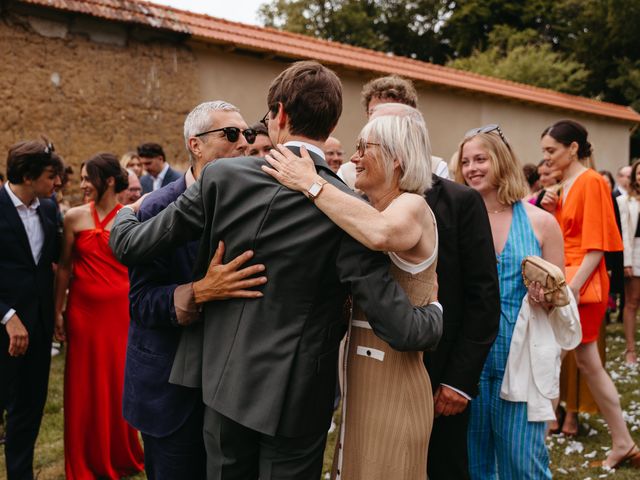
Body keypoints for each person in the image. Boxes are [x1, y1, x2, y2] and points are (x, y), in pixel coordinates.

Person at [109, 60, 443, 480]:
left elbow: (128, 245)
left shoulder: (222, 178)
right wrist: (434, 311)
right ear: (332, 121)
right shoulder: (350, 209)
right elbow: (399, 327)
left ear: (280, 115)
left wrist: (126, 212)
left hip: (220, 384)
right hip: (298, 397)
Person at [264, 107, 439, 479]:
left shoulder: (412, 204)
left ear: (397, 158)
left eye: (365, 147)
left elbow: (380, 234)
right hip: (361, 380)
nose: (354, 157)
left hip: (394, 386)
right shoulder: (369, 206)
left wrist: (311, 183)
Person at [125, 100, 265, 480]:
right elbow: (140, 302)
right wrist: (199, 291)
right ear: (195, 144)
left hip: (233, 392)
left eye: (247, 134)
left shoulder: (251, 206)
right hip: (171, 392)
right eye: (231, 134)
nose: (243, 144)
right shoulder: (155, 209)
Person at [456, 125, 565, 478]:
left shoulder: (541, 223)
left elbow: (560, 297)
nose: (472, 168)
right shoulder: (454, 222)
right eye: (466, 161)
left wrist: (545, 298)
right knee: (473, 463)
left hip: (521, 358)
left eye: (480, 159)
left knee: (524, 461)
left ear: (501, 161)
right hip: (468, 358)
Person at [542, 119, 640, 469]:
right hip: (569, 283)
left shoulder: (592, 182)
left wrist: (569, 290)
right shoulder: (567, 183)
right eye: (543, 152)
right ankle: (622, 441)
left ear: (572, 148)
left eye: (551, 150)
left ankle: (619, 441)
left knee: (561, 359)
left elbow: (596, 248)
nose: (546, 157)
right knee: (583, 363)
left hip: (580, 286)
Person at [54, 153, 144, 479]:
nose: (80, 185)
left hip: (120, 315)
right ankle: (82, 459)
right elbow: (64, 269)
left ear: (107, 181)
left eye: (86, 178)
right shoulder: (73, 218)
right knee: (82, 387)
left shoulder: (131, 216)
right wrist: (58, 313)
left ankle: (121, 453)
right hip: (82, 313)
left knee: (117, 382)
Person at [0, 139, 63, 480]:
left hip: (38, 332)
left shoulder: (50, 210)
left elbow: (51, 266)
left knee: (28, 414)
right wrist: (8, 316)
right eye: (52, 176)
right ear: (27, 175)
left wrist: (55, 313)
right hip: (2, 331)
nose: (58, 183)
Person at [616, 159, 640, 364]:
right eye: (639, 173)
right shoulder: (625, 201)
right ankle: (630, 350)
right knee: (631, 302)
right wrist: (626, 261)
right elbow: (624, 231)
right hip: (635, 252)